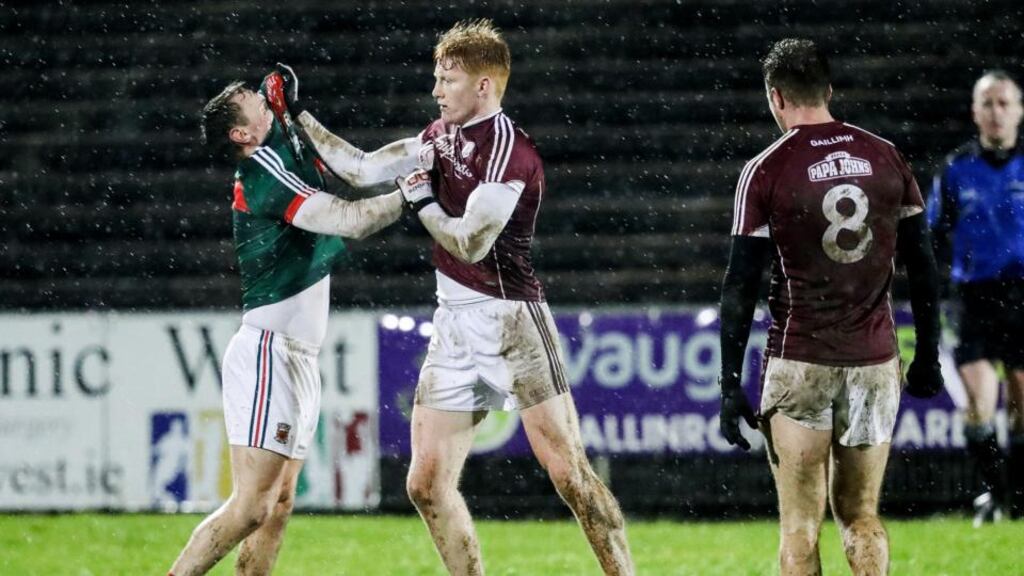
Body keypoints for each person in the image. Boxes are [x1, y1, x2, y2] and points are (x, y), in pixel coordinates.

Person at [295, 19, 634, 576]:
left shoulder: (509, 152)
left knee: (570, 474)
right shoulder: (438, 136)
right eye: (436, 77)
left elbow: (471, 243)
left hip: (512, 322)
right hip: (453, 321)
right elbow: (358, 169)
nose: (436, 90)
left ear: (484, 86)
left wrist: (422, 199)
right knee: (424, 484)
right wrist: (297, 117)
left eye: (447, 79)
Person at [717, 38, 944, 575]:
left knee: (799, 524)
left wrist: (729, 382)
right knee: (861, 514)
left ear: (776, 97)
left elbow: (739, 285)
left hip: (801, 360)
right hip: (873, 362)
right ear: (829, 90)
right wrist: (929, 351)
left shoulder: (767, 168)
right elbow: (924, 263)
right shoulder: (885, 155)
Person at [168, 68, 404, 576]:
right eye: (248, 99)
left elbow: (338, 161)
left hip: (296, 357)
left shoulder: (278, 149)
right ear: (241, 135)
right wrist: (411, 192)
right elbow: (350, 219)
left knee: (276, 508)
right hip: (269, 353)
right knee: (251, 507)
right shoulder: (264, 170)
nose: (258, 94)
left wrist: (293, 110)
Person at [927, 70, 1024, 524]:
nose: (996, 112)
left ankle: (1014, 497)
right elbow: (929, 234)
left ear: (1019, 111)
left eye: (1004, 103)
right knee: (978, 407)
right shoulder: (955, 169)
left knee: (1022, 404)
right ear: (975, 112)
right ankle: (998, 494)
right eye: (988, 103)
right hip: (974, 297)